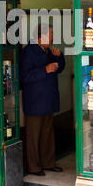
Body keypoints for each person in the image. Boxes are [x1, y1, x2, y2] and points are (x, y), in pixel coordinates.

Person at [19, 23, 65, 176]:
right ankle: (34, 166)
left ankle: (48, 162)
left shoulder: (48, 50)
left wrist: (59, 57)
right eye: (50, 35)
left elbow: (59, 68)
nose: (52, 38)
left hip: (48, 99)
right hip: (35, 101)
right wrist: (44, 70)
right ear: (40, 36)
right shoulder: (28, 52)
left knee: (47, 134)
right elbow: (24, 77)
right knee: (33, 136)